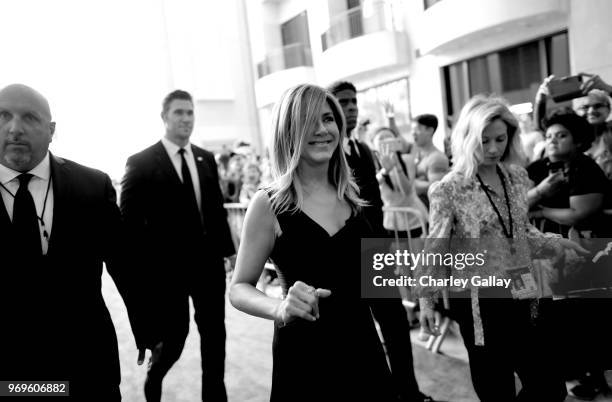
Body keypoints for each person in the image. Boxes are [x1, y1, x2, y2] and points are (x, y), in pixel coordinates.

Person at [229, 84, 394, 402]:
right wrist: (279, 308)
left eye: (329, 119)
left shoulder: (353, 197)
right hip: (305, 358)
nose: (322, 130)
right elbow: (238, 288)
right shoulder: (268, 204)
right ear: (287, 131)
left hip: (364, 351)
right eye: (308, 121)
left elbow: (381, 285)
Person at [417, 94, 587, 402]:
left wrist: (554, 242)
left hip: (522, 290)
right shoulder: (449, 188)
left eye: (500, 138)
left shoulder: (516, 177)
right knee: (495, 388)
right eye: (484, 141)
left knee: (549, 385)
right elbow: (435, 248)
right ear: (468, 139)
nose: (494, 148)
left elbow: (519, 229)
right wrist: (427, 301)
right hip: (478, 301)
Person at [0, 84, 143, 400]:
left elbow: (123, 263)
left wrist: (147, 323)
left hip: (87, 369)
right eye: (3, 116)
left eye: (30, 118)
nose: (15, 128)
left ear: (51, 130)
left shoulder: (92, 185)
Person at [120, 89, 234, 402]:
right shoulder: (141, 163)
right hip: (167, 274)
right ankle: (154, 378)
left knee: (215, 338)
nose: (186, 119)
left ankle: (215, 397)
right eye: (179, 113)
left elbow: (215, 210)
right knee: (174, 340)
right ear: (164, 117)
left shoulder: (205, 158)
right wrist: (144, 272)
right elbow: (127, 227)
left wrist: (229, 252)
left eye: (190, 112)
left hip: (209, 268)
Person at [328, 81, 436, 402]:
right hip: (343, 256)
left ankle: (408, 391)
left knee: (395, 323)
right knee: (357, 335)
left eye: (353, 102)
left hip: (375, 250)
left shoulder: (363, 150)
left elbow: (375, 204)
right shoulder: (326, 152)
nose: (350, 107)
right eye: (342, 102)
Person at [411, 114, 450, 208]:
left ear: (430, 130)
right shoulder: (415, 152)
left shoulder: (437, 158)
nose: (413, 133)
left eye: (417, 129)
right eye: (412, 129)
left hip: (428, 211)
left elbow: (436, 188)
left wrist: (410, 183)